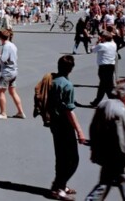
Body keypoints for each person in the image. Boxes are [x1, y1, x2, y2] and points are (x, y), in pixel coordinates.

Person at [85, 81, 125, 201]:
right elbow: (124, 142)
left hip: (106, 156)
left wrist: (94, 150)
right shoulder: (120, 113)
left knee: (104, 184)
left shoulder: (103, 104)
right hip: (118, 159)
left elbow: (93, 129)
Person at [47, 55, 87, 200]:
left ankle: (61, 185)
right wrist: (80, 131)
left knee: (60, 156)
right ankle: (58, 187)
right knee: (72, 159)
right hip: (64, 124)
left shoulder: (52, 80)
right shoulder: (67, 85)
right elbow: (69, 111)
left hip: (54, 123)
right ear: (70, 69)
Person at [0, 29, 26, 119]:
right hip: (14, 70)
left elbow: (3, 59)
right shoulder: (13, 45)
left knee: (0, 91)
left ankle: (3, 113)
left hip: (7, 72)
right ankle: (20, 112)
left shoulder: (7, 46)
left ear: (0, 37)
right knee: (12, 91)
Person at [90, 32, 119, 107]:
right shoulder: (114, 45)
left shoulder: (101, 45)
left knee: (106, 86)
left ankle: (114, 101)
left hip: (103, 67)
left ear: (104, 38)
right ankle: (96, 101)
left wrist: (97, 42)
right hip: (111, 66)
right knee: (103, 85)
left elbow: (92, 50)